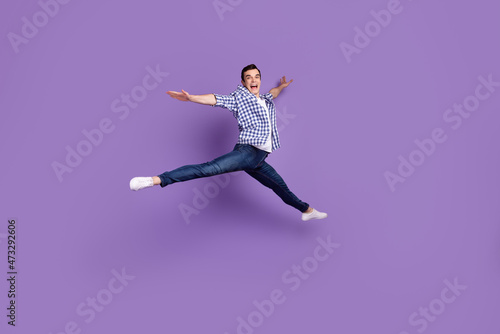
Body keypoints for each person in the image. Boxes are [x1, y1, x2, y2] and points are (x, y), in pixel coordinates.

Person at [130, 64, 327, 221]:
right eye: (248, 77)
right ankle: (154, 180)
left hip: (258, 160)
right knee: (208, 169)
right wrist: (191, 98)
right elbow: (215, 99)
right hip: (247, 152)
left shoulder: (266, 99)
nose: (253, 80)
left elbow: (273, 93)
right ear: (243, 82)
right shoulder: (239, 97)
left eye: (256, 76)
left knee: (281, 188)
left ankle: (307, 211)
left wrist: (281, 87)